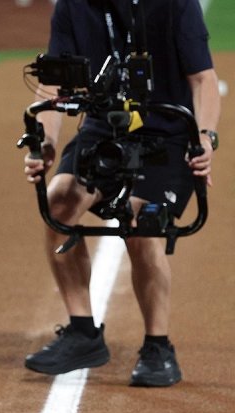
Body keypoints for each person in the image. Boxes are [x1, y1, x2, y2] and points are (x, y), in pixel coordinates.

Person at [22, 0, 220, 387]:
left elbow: (203, 79)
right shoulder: (73, 5)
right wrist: (45, 141)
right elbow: (52, 86)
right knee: (59, 202)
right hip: (104, 128)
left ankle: (158, 347)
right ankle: (83, 333)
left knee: (142, 223)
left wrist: (205, 137)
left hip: (167, 133)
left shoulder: (176, 3)